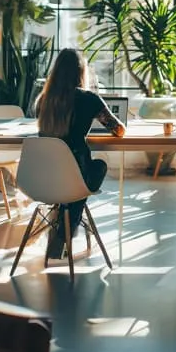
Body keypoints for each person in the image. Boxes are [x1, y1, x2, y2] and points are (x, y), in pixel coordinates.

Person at [36, 48, 126, 257]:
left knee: (72, 177)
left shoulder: (43, 100)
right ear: (81, 72)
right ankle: (65, 233)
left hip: (45, 177)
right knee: (96, 168)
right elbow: (119, 130)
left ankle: (62, 224)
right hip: (74, 176)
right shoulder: (88, 99)